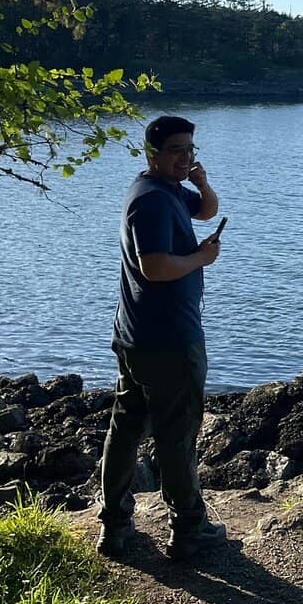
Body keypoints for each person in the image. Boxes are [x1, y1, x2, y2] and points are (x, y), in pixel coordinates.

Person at [97, 114, 227, 561]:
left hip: (135, 335)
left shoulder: (168, 190)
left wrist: (202, 181)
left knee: (127, 426)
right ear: (151, 153)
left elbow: (206, 209)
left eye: (191, 150)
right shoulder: (150, 200)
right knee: (177, 436)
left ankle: (114, 526)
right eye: (175, 151)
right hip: (168, 341)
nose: (184, 158)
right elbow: (155, 267)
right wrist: (201, 258)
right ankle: (189, 529)